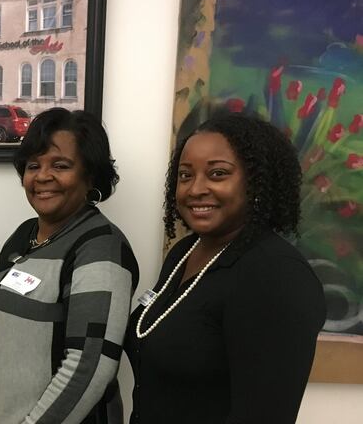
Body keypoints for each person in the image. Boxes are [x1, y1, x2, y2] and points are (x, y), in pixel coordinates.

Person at [124, 114, 326, 424]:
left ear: (256, 182)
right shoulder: (184, 252)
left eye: (218, 174)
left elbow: (264, 415)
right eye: (185, 175)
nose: (196, 189)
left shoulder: (276, 274)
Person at [0, 108, 139, 424]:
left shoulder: (101, 247)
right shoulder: (25, 234)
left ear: (90, 176)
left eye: (60, 165)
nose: (43, 176)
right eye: (34, 165)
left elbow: (88, 366)